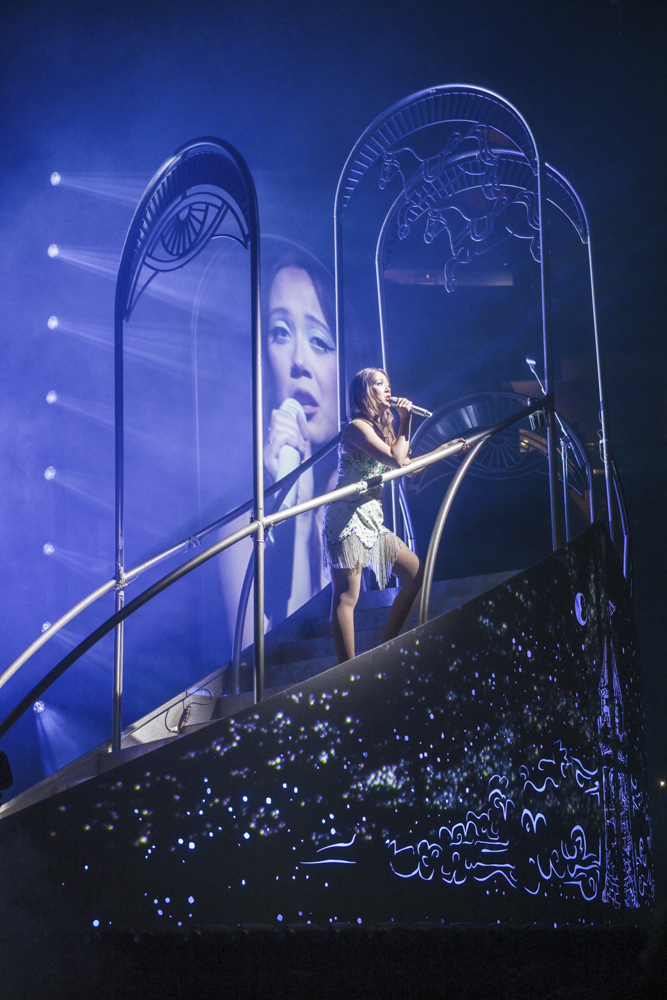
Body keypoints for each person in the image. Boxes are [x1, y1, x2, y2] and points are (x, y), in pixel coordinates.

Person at [218, 247, 339, 648]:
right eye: (281, 333)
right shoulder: (241, 529)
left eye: (319, 340)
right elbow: (281, 673)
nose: (298, 360)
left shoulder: (377, 497)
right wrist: (298, 522)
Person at [323, 368, 467, 663]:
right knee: (347, 595)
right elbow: (395, 459)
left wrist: (443, 450)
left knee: (416, 574)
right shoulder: (357, 428)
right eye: (379, 384)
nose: (388, 389)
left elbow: (407, 467)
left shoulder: (381, 430)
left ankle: (384, 649)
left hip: (371, 520)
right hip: (346, 518)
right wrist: (406, 419)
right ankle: (347, 669)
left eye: (388, 384)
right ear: (365, 392)